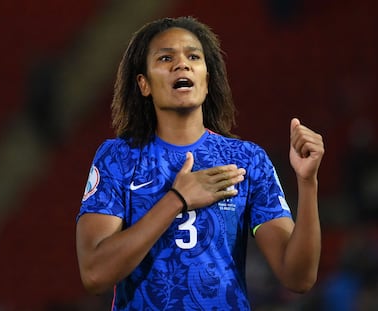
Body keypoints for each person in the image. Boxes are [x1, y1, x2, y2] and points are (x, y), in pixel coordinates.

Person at [76, 16, 324, 310]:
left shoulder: (247, 160)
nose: (182, 64)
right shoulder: (118, 157)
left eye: (193, 56)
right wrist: (177, 199)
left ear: (206, 80)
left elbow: (298, 278)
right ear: (144, 84)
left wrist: (308, 184)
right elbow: (94, 274)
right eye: (166, 57)